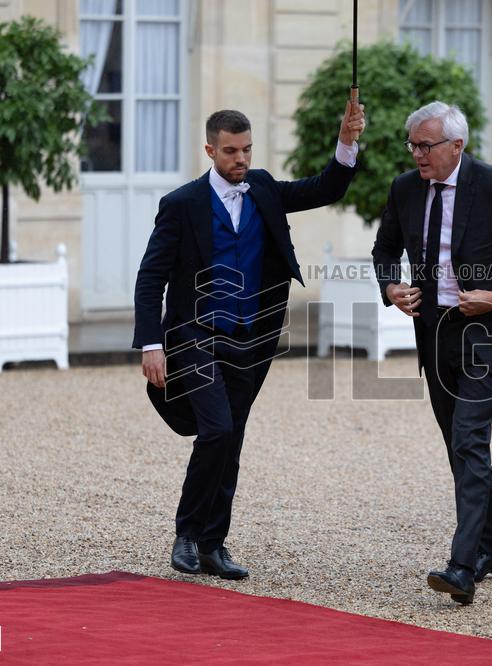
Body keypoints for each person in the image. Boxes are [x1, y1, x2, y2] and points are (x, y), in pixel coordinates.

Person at [133, 99, 365, 580]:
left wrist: (346, 142)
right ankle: (187, 533)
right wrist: (151, 343)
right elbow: (150, 277)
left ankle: (214, 545)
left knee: (231, 436)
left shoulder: (262, 189)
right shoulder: (181, 205)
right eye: (232, 152)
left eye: (247, 150)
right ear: (210, 151)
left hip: (252, 337)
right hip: (194, 333)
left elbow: (326, 187)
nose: (242, 160)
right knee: (216, 429)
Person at [372, 101, 492, 604]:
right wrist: (391, 286)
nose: (417, 154)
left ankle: (463, 566)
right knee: (463, 446)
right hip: (433, 335)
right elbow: (383, 250)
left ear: (457, 146)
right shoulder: (403, 189)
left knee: (468, 439)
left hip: (489, 333)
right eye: (412, 144)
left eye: (427, 145)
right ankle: (490, 549)